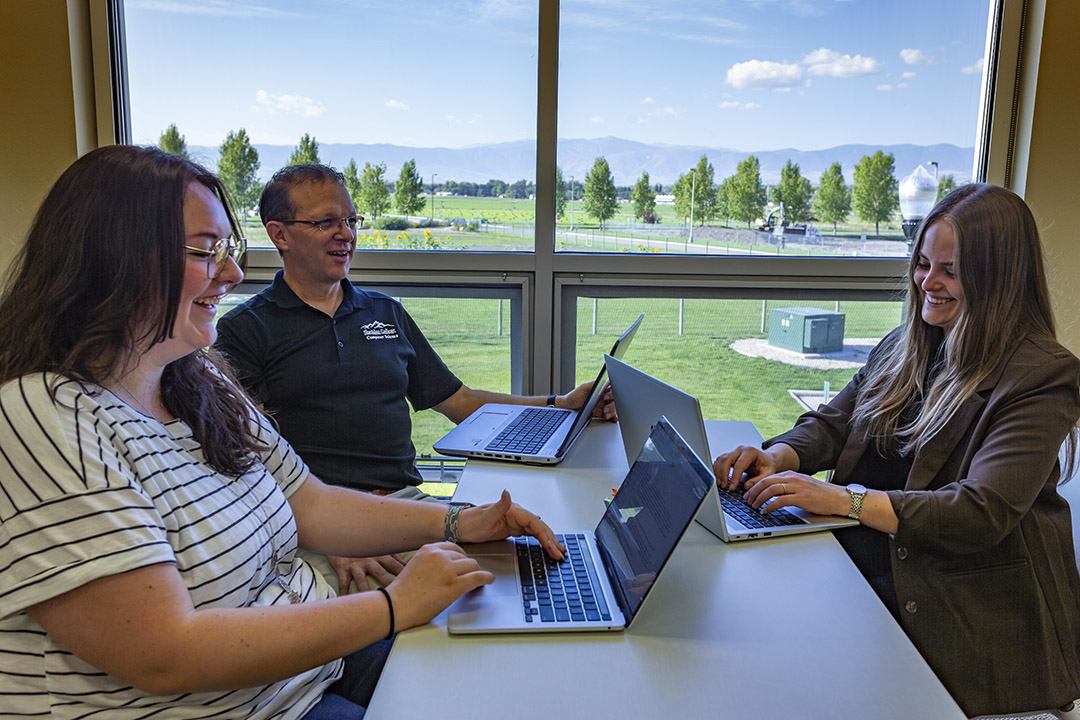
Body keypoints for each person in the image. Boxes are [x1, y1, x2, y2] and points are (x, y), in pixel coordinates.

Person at [0, 145, 564, 719]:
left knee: (520, 673)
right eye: (205, 251)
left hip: (304, 672)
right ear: (113, 259)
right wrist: (395, 606)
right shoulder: (43, 417)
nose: (233, 273)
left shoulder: (197, 383)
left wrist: (463, 522)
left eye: (230, 249)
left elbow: (310, 504)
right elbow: (163, 654)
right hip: (256, 706)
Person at [714, 183, 1080, 718]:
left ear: (1000, 278)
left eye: (951, 271)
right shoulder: (911, 342)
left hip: (973, 616)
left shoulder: (1041, 375)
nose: (927, 283)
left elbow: (982, 512)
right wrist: (779, 456)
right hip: (875, 566)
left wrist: (845, 499)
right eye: (923, 263)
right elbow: (837, 423)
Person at [214, 163, 611, 594]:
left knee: (523, 569)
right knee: (450, 608)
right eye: (326, 222)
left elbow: (461, 403)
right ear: (280, 234)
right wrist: (329, 532)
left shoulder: (384, 313)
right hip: (316, 526)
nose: (345, 234)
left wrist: (562, 405)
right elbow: (247, 464)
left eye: (350, 221)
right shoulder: (244, 332)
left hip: (405, 507)